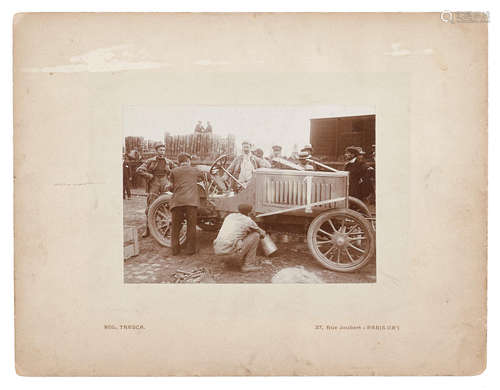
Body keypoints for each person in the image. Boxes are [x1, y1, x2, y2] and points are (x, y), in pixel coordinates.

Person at [169, 153, 205, 255]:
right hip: (191, 202)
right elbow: (204, 177)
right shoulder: (194, 170)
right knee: (191, 226)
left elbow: (171, 186)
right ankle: (190, 250)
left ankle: (175, 250)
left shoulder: (174, 171)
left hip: (177, 202)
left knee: (175, 227)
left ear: (179, 162)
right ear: (188, 161)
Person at [136, 144, 176, 238]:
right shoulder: (150, 161)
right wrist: (149, 176)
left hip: (165, 184)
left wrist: (170, 177)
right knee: (150, 206)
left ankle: (164, 228)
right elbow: (139, 170)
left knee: (166, 206)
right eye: (160, 150)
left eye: (163, 150)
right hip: (154, 184)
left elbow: (176, 170)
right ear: (156, 151)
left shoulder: (169, 162)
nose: (162, 152)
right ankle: (148, 229)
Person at [213, 203, 266, 272]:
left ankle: (226, 262)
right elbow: (263, 234)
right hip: (231, 255)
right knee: (256, 235)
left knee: (236, 237)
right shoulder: (248, 220)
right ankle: (248, 265)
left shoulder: (230, 216)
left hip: (218, 253)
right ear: (250, 212)